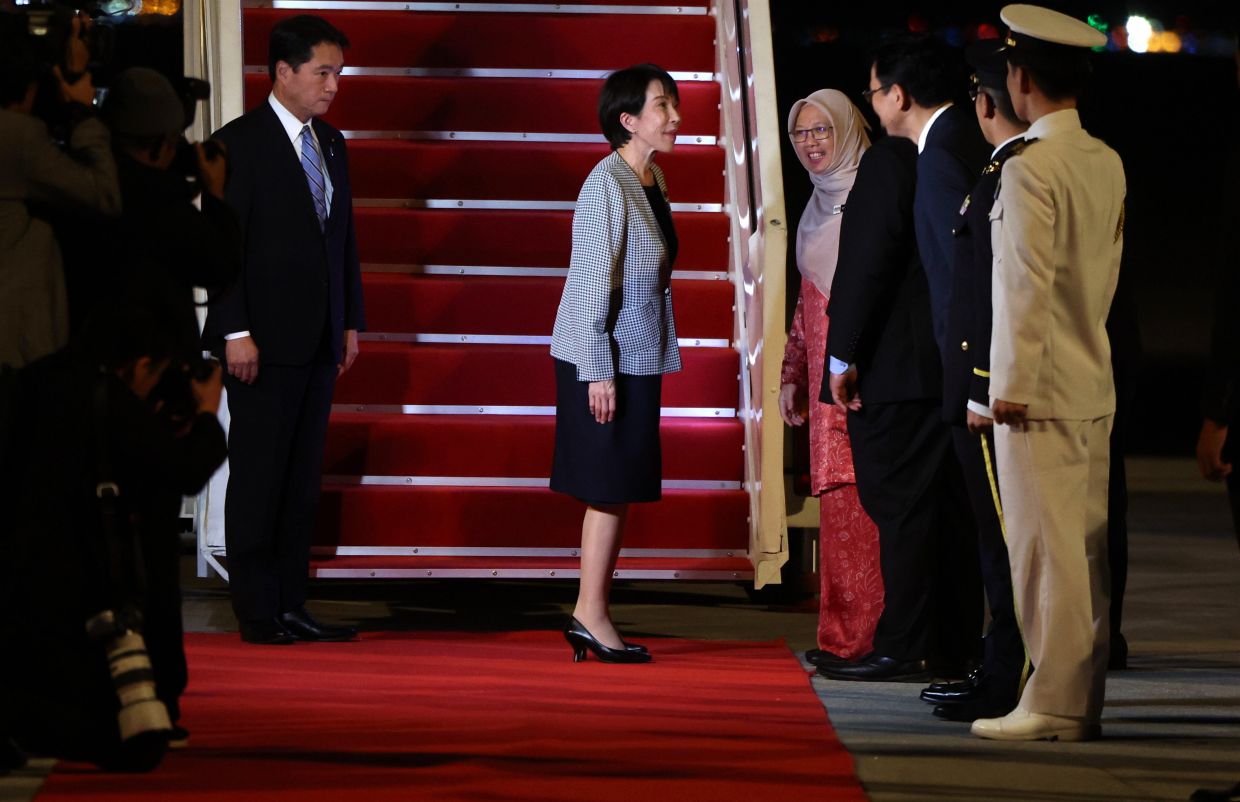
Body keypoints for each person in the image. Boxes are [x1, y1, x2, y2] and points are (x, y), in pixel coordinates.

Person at [972, 4, 1125, 742]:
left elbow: (1023, 287)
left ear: (1020, 77)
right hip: (1089, 376)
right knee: (1085, 551)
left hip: (1038, 389)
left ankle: (1053, 705)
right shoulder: (1102, 158)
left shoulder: (1032, 166)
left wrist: (1007, 388)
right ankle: (1078, 698)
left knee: (1045, 552)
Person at [0, 310, 226, 771]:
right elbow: (184, 470)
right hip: (75, 561)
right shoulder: (108, 398)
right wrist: (206, 415)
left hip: (21, 549)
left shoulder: (37, 380)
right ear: (141, 364)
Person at [204, 14, 365, 645]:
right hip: (260, 343)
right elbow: (221, 249)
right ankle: (256, 608)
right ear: (283, 72)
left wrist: (349, 318)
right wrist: (233, 329)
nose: (332, 85)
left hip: (320, 339)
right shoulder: (235, 144)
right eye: (322, 72)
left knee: (301, 481)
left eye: (338, 74)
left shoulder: (333, 144)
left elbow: (343, 242)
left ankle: (293, 602)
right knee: (258, 475)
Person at [549, 63, 682, 664]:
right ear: (627, 121)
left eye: (674, 104)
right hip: (604, 357)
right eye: (662, 106)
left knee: (617, 488)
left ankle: (591, 610)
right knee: (606, 489)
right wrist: (598, 367)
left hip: (637, 357)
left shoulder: (651, 178)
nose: (675, 116)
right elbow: (590, 282)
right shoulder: (606, 182)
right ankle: (589, 613)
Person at [921, 40, 1030, 724]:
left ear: (986, 102)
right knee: (1000, 541)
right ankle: (999, 664)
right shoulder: (997, 168)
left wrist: (980, 384)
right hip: (983, 381)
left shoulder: (1013, 174)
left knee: (1005, 543)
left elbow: (1005, 293)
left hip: (991, 388)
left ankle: (1007, 673)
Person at [778, 89, 883, 667]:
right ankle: (843, 638)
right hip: (825, 386)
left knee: (868, 509)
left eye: (822, 131)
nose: (812, 144)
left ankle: (871, 639)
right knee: (840, 511)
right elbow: (806, 303)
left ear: (846, 130)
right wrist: (793, 371)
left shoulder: (872, 197)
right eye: (801, 134)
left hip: (862, 379)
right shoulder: (817, 206)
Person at [0, 17, 120, 369]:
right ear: (30, 86)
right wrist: (81, 111)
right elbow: (104, 195)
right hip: (14, 350)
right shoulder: (16, 137)